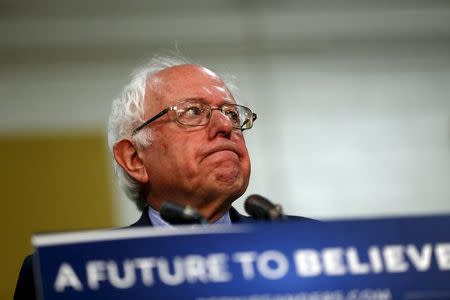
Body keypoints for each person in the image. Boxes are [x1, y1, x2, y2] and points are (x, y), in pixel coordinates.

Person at [14, 55, 310, 299]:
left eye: (232, 114)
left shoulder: (311, 251)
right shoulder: (66, 275)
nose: (224, 125)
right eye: (193, 111)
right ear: (134, 159)